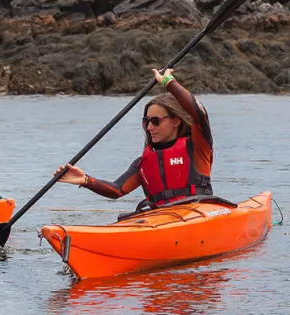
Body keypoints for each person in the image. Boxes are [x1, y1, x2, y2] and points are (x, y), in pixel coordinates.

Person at [54, 68, 214, 212]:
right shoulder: (143, 163)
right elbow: (117, 190)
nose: (150, 127)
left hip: (198, 213)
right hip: (162, 219)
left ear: (176, 121)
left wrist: (169, 83)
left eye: (156, 121)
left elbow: (200, 114)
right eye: (146, 121)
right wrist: (85, 180)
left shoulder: (197, 148)